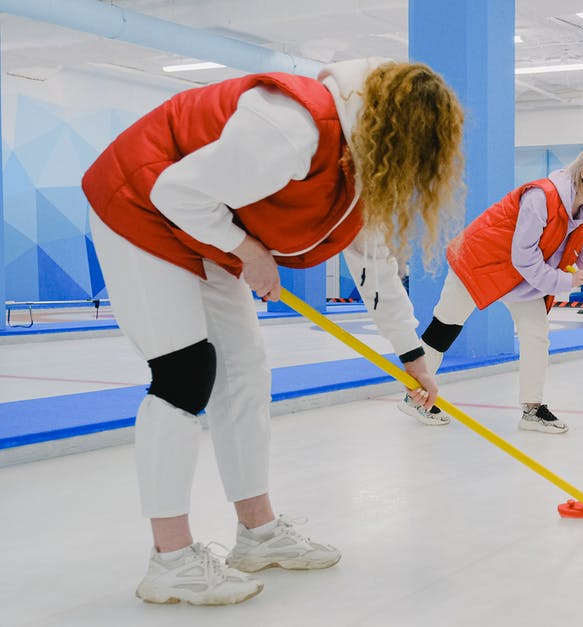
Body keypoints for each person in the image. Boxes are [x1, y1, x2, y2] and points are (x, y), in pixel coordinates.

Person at [80, 58, 464, 605]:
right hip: (139, 203)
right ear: (393, 132)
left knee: (245, 375)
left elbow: (374, 265)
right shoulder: (291, 127)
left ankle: (257, 534)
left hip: (204, 229)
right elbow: (176, 192)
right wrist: (249, 252)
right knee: (184, 371)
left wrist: (413, 356)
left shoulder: (365, 164)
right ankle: (170, 559)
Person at [398, 144, 583, 434]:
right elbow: (524, 257)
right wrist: (566, 282)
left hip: (521, 278)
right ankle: (414, 395)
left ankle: (533, 409)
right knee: (446, 324)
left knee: (536, 335)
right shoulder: (541, 197)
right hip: (480, 262)